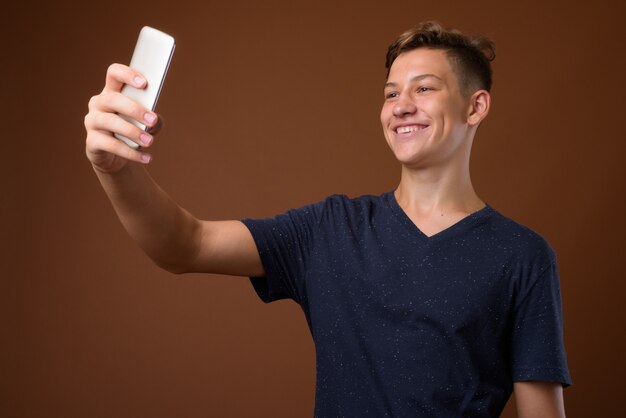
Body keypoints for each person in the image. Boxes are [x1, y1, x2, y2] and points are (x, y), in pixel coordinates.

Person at [84, 21, 571, 417]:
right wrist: (115, 171)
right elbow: (185, 245)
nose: (401, 105)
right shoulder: (330, 230)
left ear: (475, 106)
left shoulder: (522, 256)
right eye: (390, 93)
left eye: (424, 88)